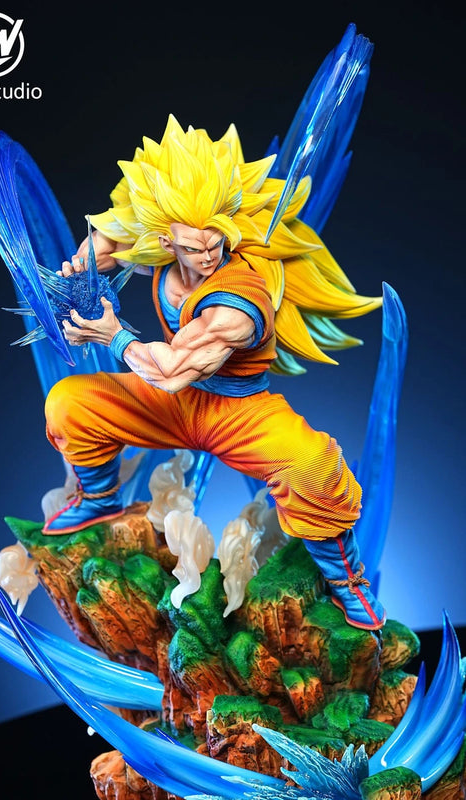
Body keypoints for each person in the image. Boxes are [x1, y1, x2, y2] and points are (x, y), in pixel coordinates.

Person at [43, 115, 386, 631]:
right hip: (173, 406)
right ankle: (98, 498)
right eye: (191, 247)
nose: (206, 255)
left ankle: (347, 581)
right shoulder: (162, 251)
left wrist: (110, 334)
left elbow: (173, 370)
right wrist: (82, 265)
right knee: (70, 404)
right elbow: (113, 235)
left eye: (215, 242)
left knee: (314, 467)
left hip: (239, 410)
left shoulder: (240, 297)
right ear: (167, 241)